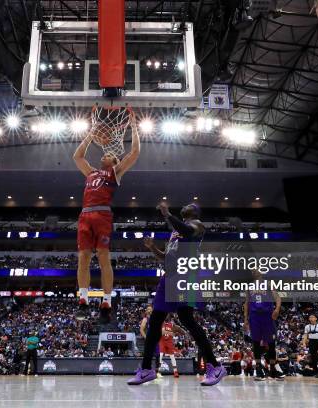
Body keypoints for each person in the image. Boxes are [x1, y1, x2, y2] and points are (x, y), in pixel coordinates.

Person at [128, 202, 226, 386]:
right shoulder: (174, 233)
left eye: (191, 204)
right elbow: (165, 256)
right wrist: (152, 248)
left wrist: (167, 214)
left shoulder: (197, 225)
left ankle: (215, 366)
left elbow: (188, 231)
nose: (187, 204)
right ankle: (147, 369)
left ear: (196, 212)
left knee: (187, 319)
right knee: (155, 321)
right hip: (169, 277)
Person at [73, 109, 140, 323]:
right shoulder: (91, 172)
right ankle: (83, 299)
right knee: (83, 257)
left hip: (102, 214)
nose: (105, 153)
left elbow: (135, 153)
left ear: (114, 160)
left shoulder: (115, 173)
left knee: (103, 256)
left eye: (110, 154)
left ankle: (107, 301)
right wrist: (91, 133)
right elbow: (77, 156)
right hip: (85, 215)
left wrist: (134, 127)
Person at [243, 268, 284, 381]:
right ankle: (259, 370)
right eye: (252, 271)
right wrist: (245, 319)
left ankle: (272, 370)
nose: (253, 272)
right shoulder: (249, 286)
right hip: (254, 317)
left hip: (267, 316)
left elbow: (278, 298)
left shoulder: (269, 284)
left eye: (255, 270)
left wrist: (277, 309)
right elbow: (246, 303)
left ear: (261, 273)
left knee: (271, 344)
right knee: (256, 343)